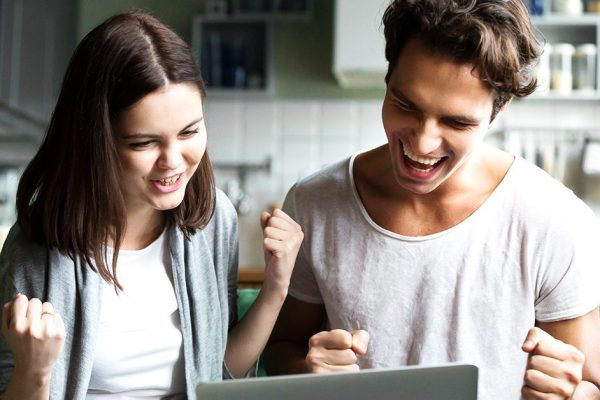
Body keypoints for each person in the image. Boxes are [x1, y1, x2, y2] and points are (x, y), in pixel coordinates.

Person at [264, 1, 600, 399]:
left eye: (457, 122)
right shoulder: (315, 203)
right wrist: (308, 370)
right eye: (406, 104)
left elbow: (590, 381)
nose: (422, 143)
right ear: (388, 79)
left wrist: (570, 394)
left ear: (499, 108)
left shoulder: (553, 219)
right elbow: (282, 349)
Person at [0, 11, 303, 399]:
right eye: (143, 143)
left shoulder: (213, 220)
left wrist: (276, 286)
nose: (173, 161)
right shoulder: (36, 244)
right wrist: (35, 371)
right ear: (95, 140)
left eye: (190, 131)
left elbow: (219, 374)